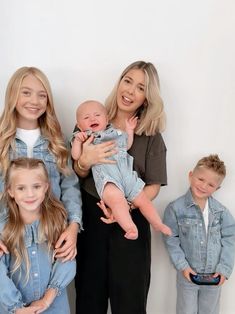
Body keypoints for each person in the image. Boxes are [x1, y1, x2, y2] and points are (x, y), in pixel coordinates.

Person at [73, 61, 167, 314]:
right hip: (93, 220)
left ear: (147, 96)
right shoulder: (91, 119)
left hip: (131, 222)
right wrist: (85, 161)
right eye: (128, 81)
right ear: (119, 82)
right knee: (89, 298)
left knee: (130, 302)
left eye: (141, 87)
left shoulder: (151, 135)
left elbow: (154, 186)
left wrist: (122, 206)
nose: (130, 91)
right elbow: (77, 173)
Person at [0, 66, 82, 260]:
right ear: (12, 95)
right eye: (26, 93)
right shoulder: (2, 142)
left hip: (51, 239)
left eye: (42, 95)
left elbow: (70, 187)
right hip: (8, 239)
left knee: (54, 289)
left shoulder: (57, 141)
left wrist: (73, 226)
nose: (34, 101)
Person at [71, 100, 171, 240]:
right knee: (117, 199)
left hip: (127, 175)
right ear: (79, 125)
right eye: (86, 118)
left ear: (106, 119)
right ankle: (130, 227)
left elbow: (126, 146)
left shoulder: (115, 133)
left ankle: (157, 223)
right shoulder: (86, 138)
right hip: (108, 180)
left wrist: (129, 130)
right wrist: (77, 141)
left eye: (97, 115)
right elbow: (76, 156)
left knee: (142, 199)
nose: (92, 119)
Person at [0, 157, 76, 314]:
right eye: (21, 188)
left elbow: (67, 260)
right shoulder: (5, 228)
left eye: (36, 186)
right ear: (10, 191)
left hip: (54, 307)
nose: (30, 194)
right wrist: (17, 308)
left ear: (46, 187)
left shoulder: (57, 220)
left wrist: (46, 299)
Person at [163, 154, 235, 314]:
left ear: (217, 188)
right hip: (188, 275)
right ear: (191, 176)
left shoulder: (221, 212)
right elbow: (171, 239)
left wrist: (224, 269)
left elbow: (231, 239)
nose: (204, 186)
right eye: (201, 179)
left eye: (211, 184)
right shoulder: (175, 209)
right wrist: (182, 266)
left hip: (214, 276)